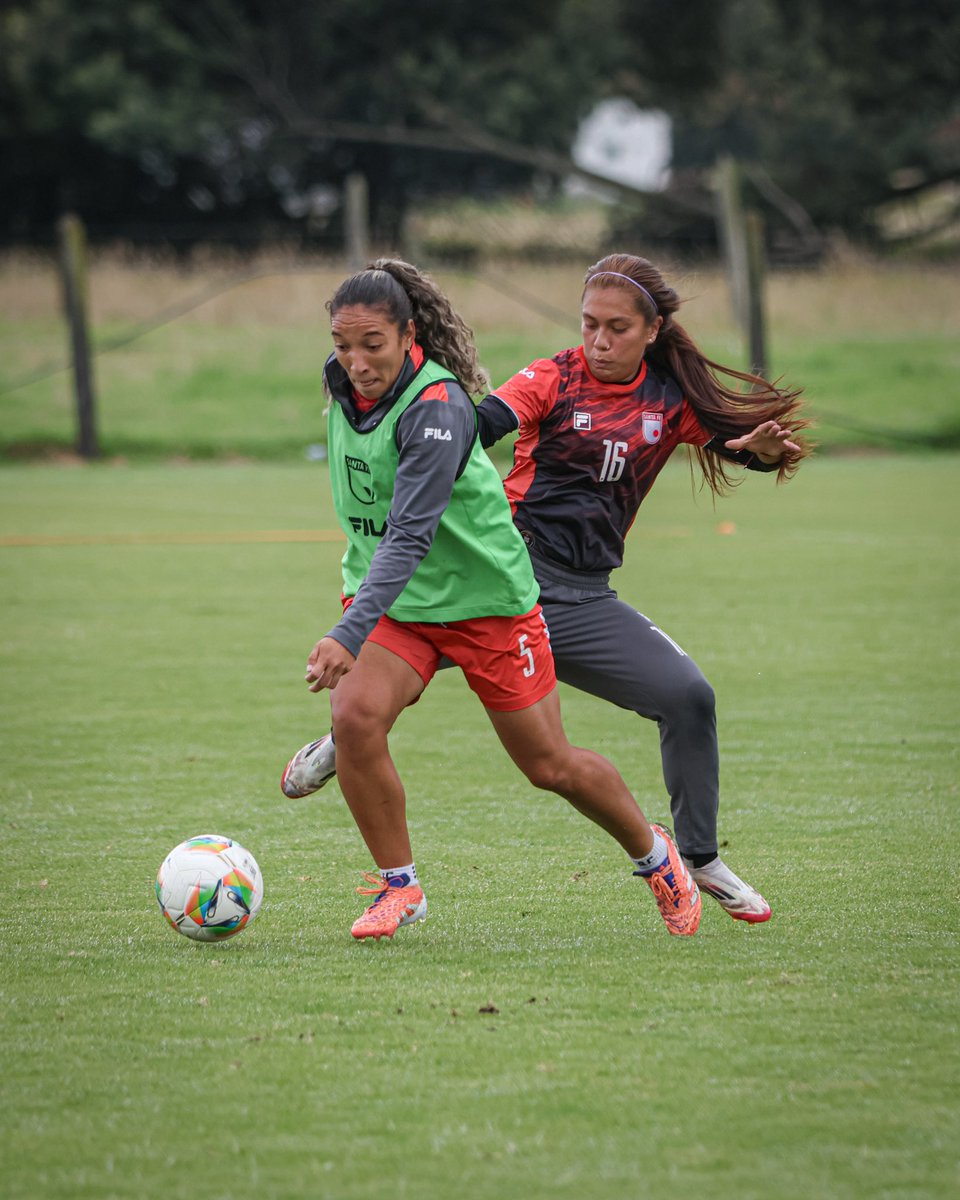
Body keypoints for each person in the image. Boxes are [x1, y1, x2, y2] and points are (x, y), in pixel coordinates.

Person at [284, 252, 811, 924]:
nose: (598, 339)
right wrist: (433, 429)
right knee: (372, 695)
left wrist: (758, 455)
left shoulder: (667, 401)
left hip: (568, 596)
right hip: (509, 562)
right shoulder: (552, 376)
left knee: (672, 704)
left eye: (616, 327)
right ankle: (360, 764)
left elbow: (729, 441)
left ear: (652, 331)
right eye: (589, 323)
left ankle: (694, 857)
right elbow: (481, 419)